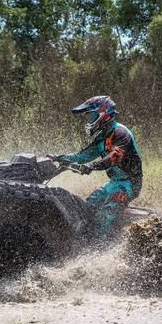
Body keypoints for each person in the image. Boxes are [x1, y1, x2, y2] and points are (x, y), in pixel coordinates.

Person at [53, 95, 143, 241]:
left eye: (91, 116)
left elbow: (114, 156)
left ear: (103, 114)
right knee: (85, 209)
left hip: (129, 183)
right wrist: (59, 158)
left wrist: (92, 167)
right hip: (113, 183)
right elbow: (82, 156)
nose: (89, 121)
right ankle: (84, 243)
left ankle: (101, 252)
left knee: (104, 216)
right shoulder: (101, 136)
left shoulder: (121, 133)